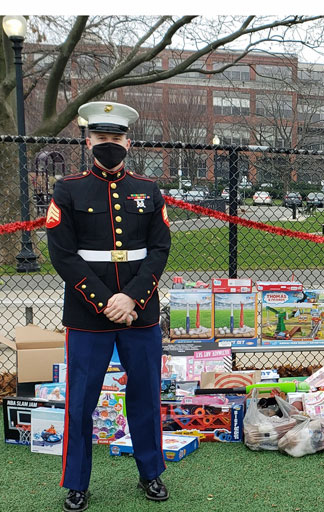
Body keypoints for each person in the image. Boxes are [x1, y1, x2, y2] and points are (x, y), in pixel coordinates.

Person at [46, 101, 172, 511]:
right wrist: (107, 302)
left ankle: (150, 474)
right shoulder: (68, 189)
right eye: (102, 137)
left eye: (116, 137)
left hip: (140, 313)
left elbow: (159, 249)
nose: (109, 144)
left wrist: (132, 298)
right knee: (81, 401)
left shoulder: (149, 191)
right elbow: (63, 254)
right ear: (89, 140)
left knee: (146, 397)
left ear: (128, 142)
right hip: (88, 314)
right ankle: (77, 483)